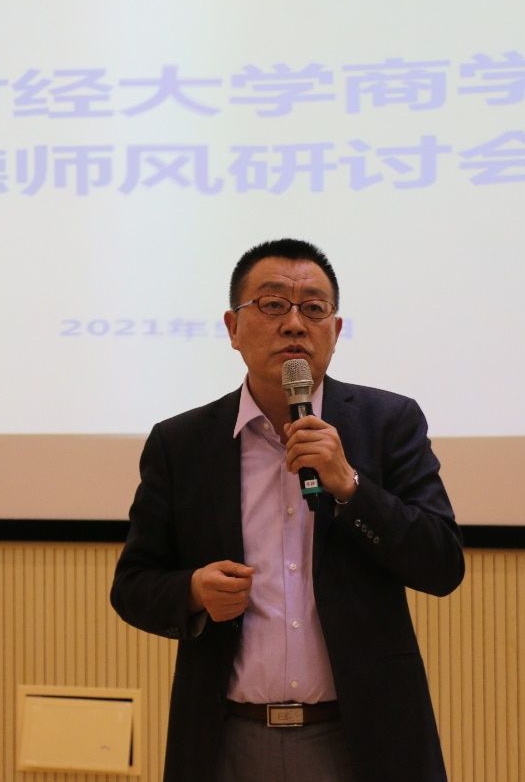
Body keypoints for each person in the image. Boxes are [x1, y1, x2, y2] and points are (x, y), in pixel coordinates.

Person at [110, 238, 465, 781]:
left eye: (314, 309)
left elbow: (442, 565)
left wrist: (350, 487)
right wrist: (194, 591)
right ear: (233, 327)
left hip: (362, 741)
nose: (295, 324)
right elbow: (133, 584)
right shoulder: (181, 444)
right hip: (227, 738)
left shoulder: (388, 423)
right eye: (273, 305)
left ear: (335, 332)